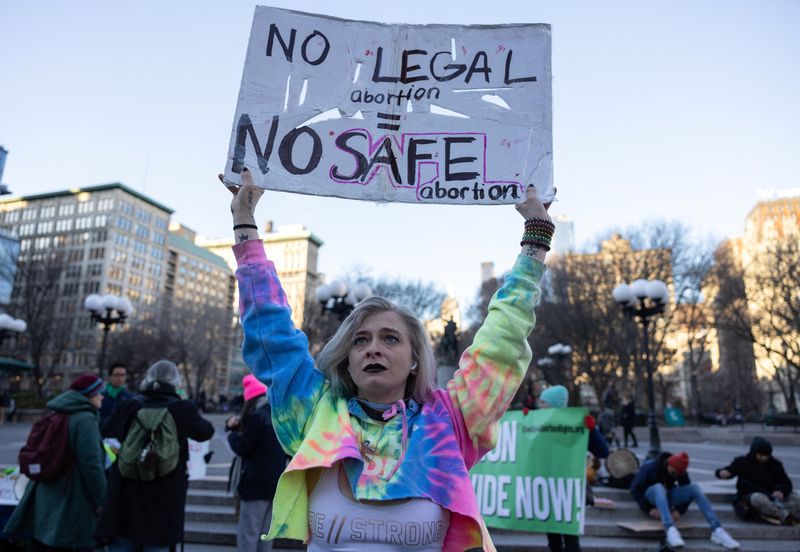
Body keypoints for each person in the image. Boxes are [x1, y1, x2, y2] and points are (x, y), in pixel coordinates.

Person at [226, 167, 552, 550]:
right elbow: (272, 334)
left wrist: (536, 236)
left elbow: (502, 341)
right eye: (360, 340)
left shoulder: (451, 421)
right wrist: (244, 222)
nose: (372, 348)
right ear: (347, 358)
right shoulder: (317, 415)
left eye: (390, 338)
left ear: (415, 358)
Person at [95, 360, 214, 552]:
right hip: (165, 492)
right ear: (175, 381)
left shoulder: (129, 404)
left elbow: (106, 429)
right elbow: (206, 432)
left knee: (122, 541)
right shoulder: (182, 409)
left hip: (127, 487)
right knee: (157, 544)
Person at [4, 374, 107, 551]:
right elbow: (91, 465)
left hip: (47, 490)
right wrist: (102, 500)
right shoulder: (85, 419)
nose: (102, 396)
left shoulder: (59, 412)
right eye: (99, 392)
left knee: (45, 541)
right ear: (89, 394)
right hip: (71, 494)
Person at [538, 385, 609, 552]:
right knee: (553, 540)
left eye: (544, 403)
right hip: (547, 487)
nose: (540, 407)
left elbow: (603, 451)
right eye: (540, 403)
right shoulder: (538, 424)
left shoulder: (575, 424)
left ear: (554, 405)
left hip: (569, 490)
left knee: (570, 539)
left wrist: (592, 431)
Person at [226, 375, 287, 552]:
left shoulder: (257, 416)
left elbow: (244, 447)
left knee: (248, 533)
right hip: (275, 484)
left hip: (255, 484)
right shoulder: (279, 415)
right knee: (265, 534)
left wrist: (232, 435)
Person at [630, 451, 740, 549]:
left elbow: (686, 492)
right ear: (669, 464)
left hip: (667, 495)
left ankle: (717, 530)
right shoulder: (650, 467)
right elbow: (635, 489)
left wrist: (679, 510)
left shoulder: (680, 471)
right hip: (651, 495)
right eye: (674, 473)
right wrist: (649, 509)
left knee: (695, 488)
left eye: (678, 474)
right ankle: (670, 529)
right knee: (659, 487)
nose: (676, 475)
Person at [715, 436, 799, 525]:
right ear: (754, 452)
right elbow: (729, 471)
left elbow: (786, 482)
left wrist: (781, 491)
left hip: (773, 496)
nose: (763, 458)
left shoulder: (775, 464)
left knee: (796, 497)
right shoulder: (742, 462)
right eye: (760, 455)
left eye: (766, 456)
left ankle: (773, 513)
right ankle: (785, 515)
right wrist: (721, 473)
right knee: (757, 498)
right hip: (753, 495)